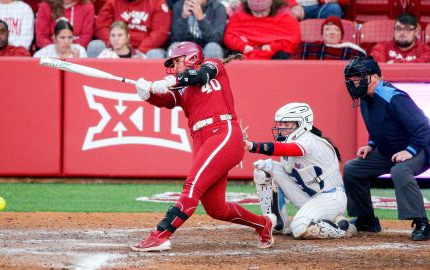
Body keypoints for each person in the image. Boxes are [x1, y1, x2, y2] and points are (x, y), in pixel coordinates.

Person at [131, 41, 277, 252]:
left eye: (178, 61)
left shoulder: (213, 65)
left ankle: (160, 235)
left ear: (191, 57)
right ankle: (264, 224)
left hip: (223, 132)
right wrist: (147, 94)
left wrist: (169, 80)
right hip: (201, 139)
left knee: (192, 187)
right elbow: (167, 99)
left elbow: (199, 76)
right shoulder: (182, 88)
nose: (175, 66)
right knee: (216, 208)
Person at [343, 56, 430, 241]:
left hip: (420, 148)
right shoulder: (366, 97)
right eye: (352, 79)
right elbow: (381, 127)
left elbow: (424, 127)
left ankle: (422, 222)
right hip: (389, 151)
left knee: (400, 170)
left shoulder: (394, 97)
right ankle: (367, 219)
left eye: (358, 77)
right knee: (352, 168)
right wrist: (371, 145)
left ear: (374, 77)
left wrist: (410, 151)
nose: (354, 82)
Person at [243, 102, 356, 239]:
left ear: (302, 123)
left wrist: (252, 146)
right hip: (309, 195)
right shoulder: (291, 140)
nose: (282, 128)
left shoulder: (308, 140)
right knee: (264, 167)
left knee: (299, 228)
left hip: (330, 198)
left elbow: (288, 149)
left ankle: (343, 228)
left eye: (287, 124)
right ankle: (278, 223)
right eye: (281, 124)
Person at [90, 0, 171, 58]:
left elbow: (160, 33)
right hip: (118, 45)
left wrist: (138, 51)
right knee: (96, 45)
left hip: (145, 49)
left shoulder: (157, 3)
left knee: (155, 54)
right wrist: (115, 41)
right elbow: (100, 26)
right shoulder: (113, 2)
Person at [223, 0, 300, 60]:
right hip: (245, 49)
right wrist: (242, 46)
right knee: (234, 57)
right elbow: (229, 36)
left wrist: (273, 46)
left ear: (270, 6)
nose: (259, 15)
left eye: (263, 11)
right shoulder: (239, 15)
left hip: (275, 52)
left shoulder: (284, 16)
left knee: (282, 57)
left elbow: (293, 38)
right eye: (255, 12)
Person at [292, 16, 366, 60]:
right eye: (327, 29)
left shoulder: (352, 51)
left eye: (336, 29)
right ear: (322, 34)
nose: (332, 32)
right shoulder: (308, 48)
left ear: (341, 35)